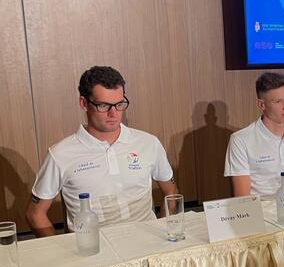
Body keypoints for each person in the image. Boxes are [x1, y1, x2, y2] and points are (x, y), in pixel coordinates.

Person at [26, 66, 178, 237]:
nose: (114, 113)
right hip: (92, 248)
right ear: (84, 103)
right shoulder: (60, 154)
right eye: (103, 105)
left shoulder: (148, 143)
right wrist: (62, 250)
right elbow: (35, 214)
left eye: (119, 104)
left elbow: (171, 192)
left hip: (147, 243)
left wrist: (167, 236)